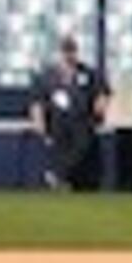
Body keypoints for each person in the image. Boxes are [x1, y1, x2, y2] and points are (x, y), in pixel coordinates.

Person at [29, 35, 103, 193]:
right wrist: (38, 121)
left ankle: (58, 176)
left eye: (72, 50)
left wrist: (99, 109)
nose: (69, 55)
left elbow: (101, 93)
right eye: (66, 51)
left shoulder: (87, 73)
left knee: (80, 149)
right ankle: (61, 179)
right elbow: (38, 101)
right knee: (60, 152)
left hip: (82, 121)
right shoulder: (49, 75)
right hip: (58, 122)